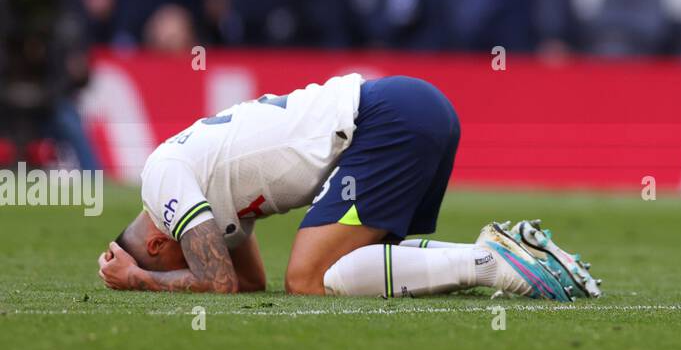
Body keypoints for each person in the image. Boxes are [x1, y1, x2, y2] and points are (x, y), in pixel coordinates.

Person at [98, 73, 601, 301]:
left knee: (308, 277)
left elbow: (217, 282)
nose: (184, 264)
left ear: (160, 242)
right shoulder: (202, 192)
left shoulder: (161, 175)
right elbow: (245, 283)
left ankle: (488, 262)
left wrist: (141, 281)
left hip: (387, 118)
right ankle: (504, 252)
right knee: (340, 272)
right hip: (409, 110)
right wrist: (174, 275)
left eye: (169, 263)